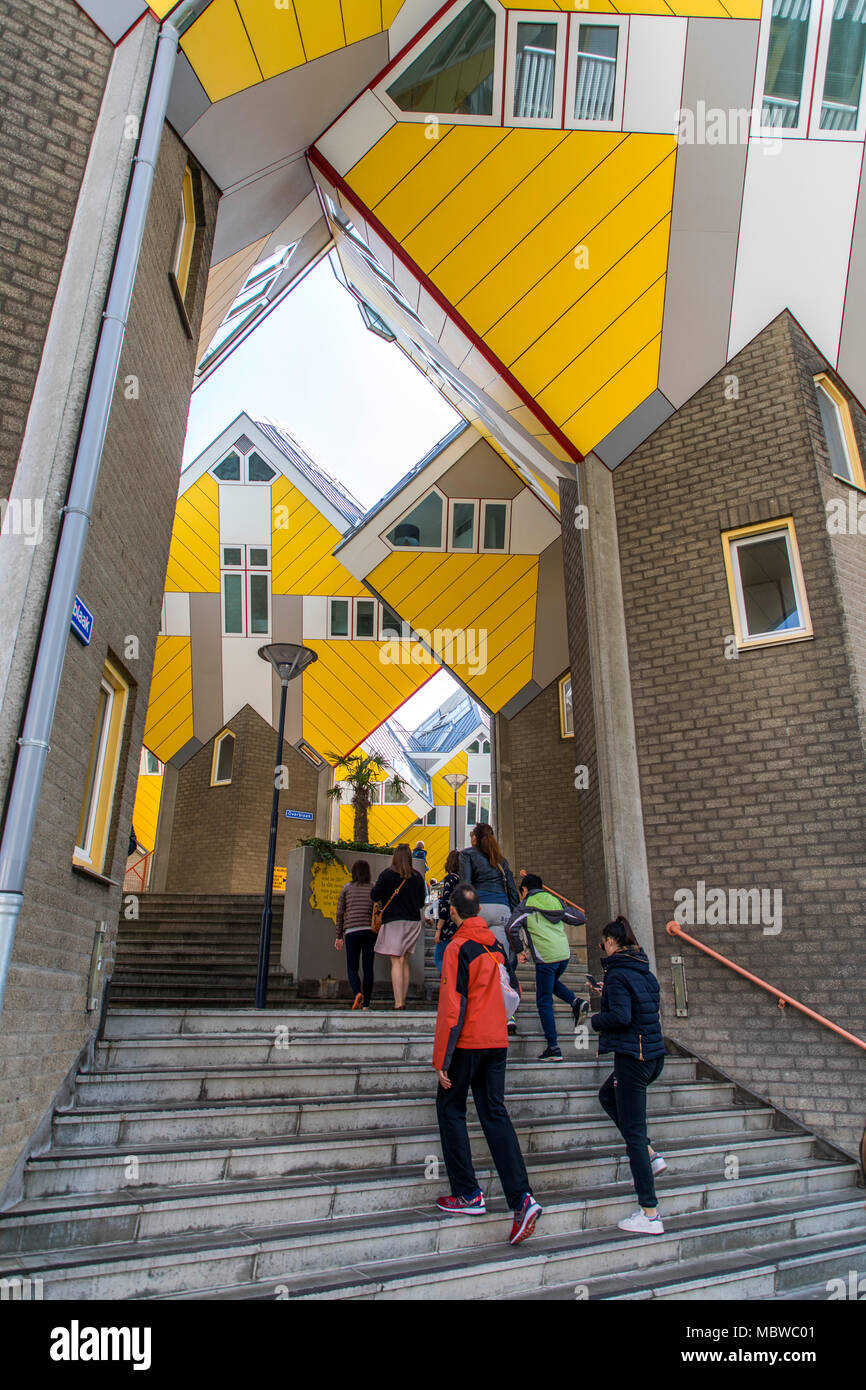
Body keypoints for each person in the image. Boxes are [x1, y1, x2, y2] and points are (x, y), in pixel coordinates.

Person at [432, 881, 542, 1245]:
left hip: (467, 1042)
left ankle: (468, 1193)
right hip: (498, 1038)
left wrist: (442, 1059)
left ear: (453, 911)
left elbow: (452, 1004)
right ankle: (522, 1198)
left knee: (449, 1107)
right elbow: (513, 988)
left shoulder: (457, 947)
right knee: (494, 1113)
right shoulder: (494, 944)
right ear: (478, 910)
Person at [588, 915, 667, 1235]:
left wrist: (596, 1019)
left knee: (633, 1134)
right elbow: (645, 1005)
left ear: (610, 942)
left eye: (602, 944)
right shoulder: (641, 969)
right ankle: (651, 1154)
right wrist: (610, 989)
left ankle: (650, 1213)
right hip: (653, 1055)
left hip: (633, 1057)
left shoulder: (619, 973)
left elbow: (620, 1016)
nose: (602, 950)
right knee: (607, 1096)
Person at [506, 872, 588, 1061]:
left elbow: (510, 928)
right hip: (563, 955)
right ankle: (575, 1002)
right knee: (551, 984)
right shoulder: (554, 900)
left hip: (546, 958)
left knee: (544, 1001)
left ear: (524, 889)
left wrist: (518, 950)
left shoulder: (525, 905)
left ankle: (553, 1047)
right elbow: (580, 918)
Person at [371, 844, 427, 1010]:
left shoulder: (387, 875)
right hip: (412, 922)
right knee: (405, 960)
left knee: (396, 961)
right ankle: (402, 1000)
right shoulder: (417, 877)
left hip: (394, 921)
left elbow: (374, 895)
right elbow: (421, 902)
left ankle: (398, 1003)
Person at [334, 860, 376, 1010]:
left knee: (352, 967)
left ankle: (358, 993)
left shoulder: (347, 888)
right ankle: (366, 1004)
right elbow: (378, 909)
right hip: (369, 931)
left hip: (351, 930)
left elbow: (340, 913)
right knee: (368, 967)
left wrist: (339, 935)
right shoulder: (373, 887)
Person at [433, 849, 462, 974]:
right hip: (459, 925)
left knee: (439, 957)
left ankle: (451, 980)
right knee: (454, 958)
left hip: (447, 926)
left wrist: (439, 929)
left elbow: (445, 904)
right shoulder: (463, 880)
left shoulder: (450, 879)